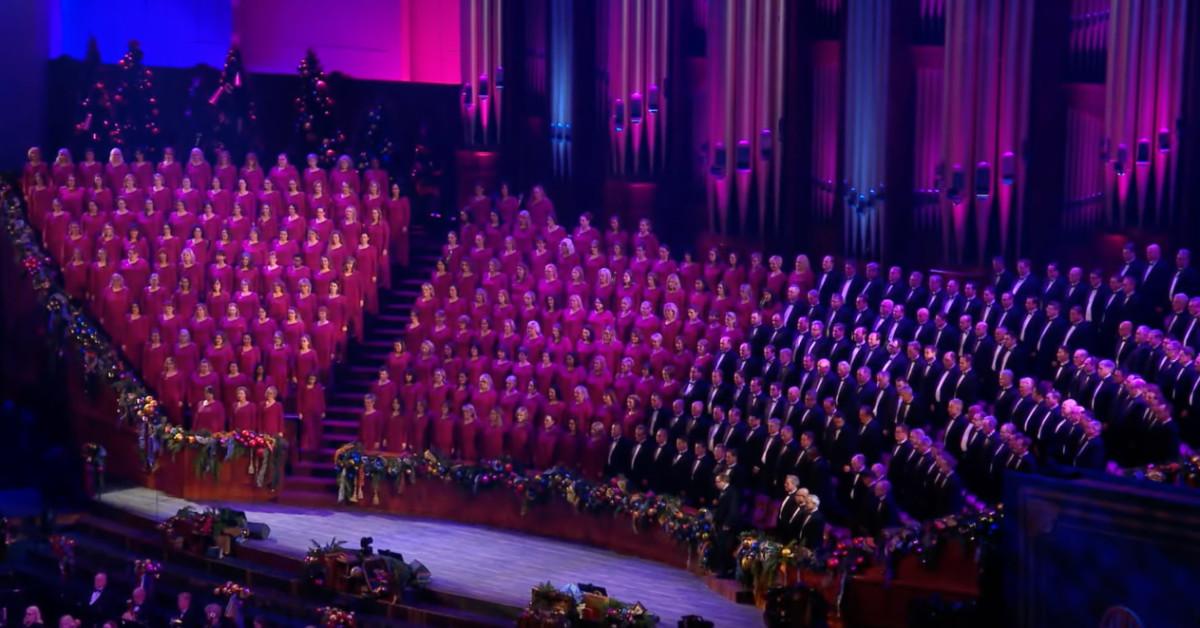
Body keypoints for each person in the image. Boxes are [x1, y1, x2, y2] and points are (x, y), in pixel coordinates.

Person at [711, 473, 743, 578]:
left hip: (727, 525)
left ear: (724, 481)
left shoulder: (732, 492)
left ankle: (725, 571)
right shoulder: (722, 492)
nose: (716, 484)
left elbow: (733, 510)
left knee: (725, 548)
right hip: (720, 523)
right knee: (720, 546)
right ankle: (719, 569)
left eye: (717, 481)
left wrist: (727, 523)